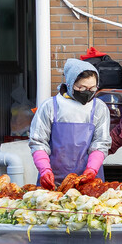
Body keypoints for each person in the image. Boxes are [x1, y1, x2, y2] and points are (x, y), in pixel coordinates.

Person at [29, 59, 111, 189]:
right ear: (70, 83)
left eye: (92, 88)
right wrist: (45, 170)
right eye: (82, 87)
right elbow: (38, 142)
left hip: (89, 181)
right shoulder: (50, 106)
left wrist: (92, 169)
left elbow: (101, 143)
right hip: (53, 179)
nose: (87, 92)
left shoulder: (99, 108)